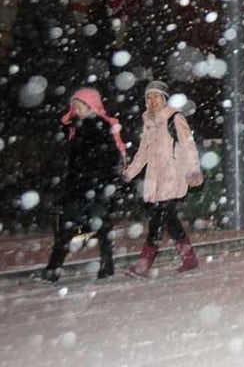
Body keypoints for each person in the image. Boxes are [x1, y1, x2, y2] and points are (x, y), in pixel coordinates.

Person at [38, 88, 127, 283]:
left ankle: (105, 265)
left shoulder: (101, 126)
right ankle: (54, 269)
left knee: (98, 226)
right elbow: (72, 158)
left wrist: (103, 182)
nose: (77, 109)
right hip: (78, 187)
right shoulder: (75, 127)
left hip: (96, 188)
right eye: (75, 105)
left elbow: (111, 158)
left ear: (91, 106)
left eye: (81, 105)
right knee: (69, 227)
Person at [122, 80, 203, 277]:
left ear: (164, 98)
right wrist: (130, 172)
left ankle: (144, 264)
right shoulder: (148, 123)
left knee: (158, 220)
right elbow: (143, 151)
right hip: (154, 178)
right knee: (170, 221)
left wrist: (194, 170)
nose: (152, 100)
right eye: (149, 97)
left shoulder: (174, 118)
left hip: (171, 176)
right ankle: (189, 258)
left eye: (156, 96)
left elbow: (188, 145)